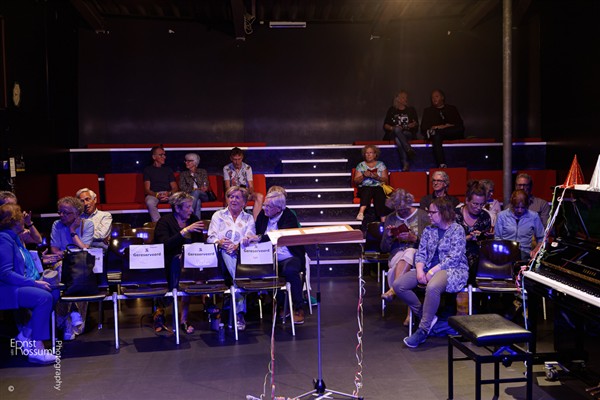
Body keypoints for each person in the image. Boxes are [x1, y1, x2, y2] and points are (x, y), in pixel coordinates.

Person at [396, 197, 468, 348]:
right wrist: (420, 270)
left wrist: (432, 272)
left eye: (432, 212)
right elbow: (421, 253)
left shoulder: (457, 230)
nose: (429, 214)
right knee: (399, 285)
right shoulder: (429, 230)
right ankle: (427, 317)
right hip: (428, 267)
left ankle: (423, 330)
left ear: (443, 213)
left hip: (452, 269)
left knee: (433, 286)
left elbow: (454, 258)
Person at [0, 203, 57, 364]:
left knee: (53, 291)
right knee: (43, 297)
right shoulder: (4, 238)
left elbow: (35, 242)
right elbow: (5, 273)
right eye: (21, 218)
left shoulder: (14, 238)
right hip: (6, 289)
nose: (24, 220)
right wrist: (33, 283)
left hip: (15, 285)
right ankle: (37, 348)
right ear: (14, 221)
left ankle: (25, 335)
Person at [246, 190, 307, 324]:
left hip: (288, 255)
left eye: (268, 206)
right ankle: (282, 304)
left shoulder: (288, 216)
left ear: (279, 209)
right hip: (267, 256)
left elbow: (279, 235)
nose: (264, 208)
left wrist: (259, 238)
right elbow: (256, 231)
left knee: (290, 271)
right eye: (264, 205)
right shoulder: (263, 215)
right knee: (264, 273)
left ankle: (298, 308)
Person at [154, 192, 206, 334]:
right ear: (177, 208)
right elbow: (164, 246)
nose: (191, 210)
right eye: (188, 207)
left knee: (195, 270)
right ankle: (160, 312)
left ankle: (184, 319)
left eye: (191, 206)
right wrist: (184, 232)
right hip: (167, 262)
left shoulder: (193, 219)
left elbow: (199, 244)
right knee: (178, 266)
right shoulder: (164, 222)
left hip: (190, 263)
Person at [207, 186, 256, 331]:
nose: (233, 200)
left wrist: (237, 246)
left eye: (237, 197)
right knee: (226, 252)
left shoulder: (248, 218)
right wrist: (219, 242)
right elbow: (210, 237)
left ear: (244, 202)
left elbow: (250, 237)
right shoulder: (218, 215)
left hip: (242, 254)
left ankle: (237, 287)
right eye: (231, 196)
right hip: (220, 256)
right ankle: (239, 313)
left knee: (232, 253)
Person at [380, 189, 428, 326]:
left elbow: (430, 242)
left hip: (418, 257)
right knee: (405, 255)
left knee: (410, 251)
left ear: (409, 203)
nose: (401, 212)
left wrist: (415, 238)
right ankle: (410, 313)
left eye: (404, 209)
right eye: (398, 209)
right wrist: (389, 237)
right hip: (396, 256)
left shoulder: (422, 215)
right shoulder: (391, 218)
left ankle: (393, 290)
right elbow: (383, 248)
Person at [51, 196, 94, 340]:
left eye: (66, 213)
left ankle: (68, 321)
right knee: (63, 271)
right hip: (63, 263)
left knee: (77, 274)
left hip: (82, 264)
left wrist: (72, 230)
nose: (61, 215)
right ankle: (73, 315)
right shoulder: (57, 224)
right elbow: (54, 250)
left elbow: (84, 249)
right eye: (60, 212)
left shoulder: (88, 224)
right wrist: (67, 254)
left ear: (77, 213)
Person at [455, 181, 492, 284]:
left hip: (478, 259)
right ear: (467, 200)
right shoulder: (454, 215)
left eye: (482, 204)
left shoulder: (485, 217)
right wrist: (468, 238)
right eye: (475, 204)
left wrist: (486, 237)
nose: (479, 208)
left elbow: (486, 246)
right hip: (457, 257)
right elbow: (447, 241)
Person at [495, 189, 545, 261]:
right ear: (512, 204)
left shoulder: (534, 216)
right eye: (517, 207)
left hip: (525, 254)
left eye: (523, 207)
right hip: (506, 253)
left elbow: (542, 238)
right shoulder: (502, 216)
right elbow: (497, 238)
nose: (519, 210)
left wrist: (536, 250)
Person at [420, 89, 465, 168]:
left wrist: (443, 127)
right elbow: (423, 127)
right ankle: (442, 164)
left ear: (442, 97)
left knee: (458, 129)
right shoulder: (428, 111)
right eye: (432, 97)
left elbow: (459, 124)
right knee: (436, 135)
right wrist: (437, 128)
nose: (434, 99)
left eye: (436, 96)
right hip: (437, 135)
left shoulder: (451, 109)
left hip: (450, 132)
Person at [382, 91, 419, 171]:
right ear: (397, 99)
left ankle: (405, 163)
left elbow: (415, 124)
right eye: (403, 97)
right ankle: (408, 149)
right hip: (394, 133)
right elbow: (385, 125)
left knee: (398, 138)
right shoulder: (392, 110)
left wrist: (410, 125)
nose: (406, 99)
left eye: (406, 97)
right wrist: (394, 128)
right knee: (397, 131)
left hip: (407, 133)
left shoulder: (411, 110)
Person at [353, 145, 389, 222]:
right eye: (367, 153)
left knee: (379, 192)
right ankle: (361, 213)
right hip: (364, 187)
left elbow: (385, 180)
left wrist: (377, 177)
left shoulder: (381, 164)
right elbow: (356, 181)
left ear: (375, 154)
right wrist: (363, 176)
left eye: (371, 153)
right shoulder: (361, 165)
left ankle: (383, 220)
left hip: (378, 187)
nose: (369, 155)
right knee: (367, 189)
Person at [144, 145, 178, 222]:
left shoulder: (168, 170)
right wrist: (157, 195)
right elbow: (147, 189)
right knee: (150, 202)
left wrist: (168, 193)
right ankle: (159, 224)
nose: (164, 157)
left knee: (179, 200)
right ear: (154, 157)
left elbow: (175, 188)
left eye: (164, 155)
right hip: (154, 194)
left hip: (167, 193)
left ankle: (176, 224)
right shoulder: (148, 170)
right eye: (161, 155)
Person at [178, 153, 211, 220]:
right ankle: (196, 222)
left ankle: (187, 214)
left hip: (203, 195)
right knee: (198, 201)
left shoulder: (202, 172)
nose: (186, 162)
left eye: (189, 161)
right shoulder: (183, 174)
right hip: (189, 196)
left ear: (195, 162)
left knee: (196, 192)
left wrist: (204, 187)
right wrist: (194, 189)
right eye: (186, 161)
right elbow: (182, 188)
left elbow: (205, 184)